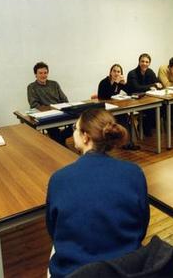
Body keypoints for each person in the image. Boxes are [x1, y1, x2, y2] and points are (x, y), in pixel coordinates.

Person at [46, 108, 149, 278]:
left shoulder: (59, 178)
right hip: (127, 268)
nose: (74, 133)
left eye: (75, 128)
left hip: (74, 272)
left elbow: (54, 229)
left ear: (85, 136)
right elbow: (141, 224)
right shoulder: (134, 172)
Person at [27, 62, 70, 144]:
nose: (43, 75)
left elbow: (64, 99)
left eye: (45, 73)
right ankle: (61, 144)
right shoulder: (31, 87)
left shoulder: (54, 84)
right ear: (35, 74)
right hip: (45, 115)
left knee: (77, 124)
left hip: (59, 112)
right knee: (53, 129)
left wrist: (58, 108)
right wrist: (50, 109)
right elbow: (34, 105)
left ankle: (60, 140)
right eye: (40, 73)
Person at [127, 53, 162, 135]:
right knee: (150, 109)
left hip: (147, 98)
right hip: (134, 100)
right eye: (142, 61)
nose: (144, 64)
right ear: (139, 62)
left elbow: (158, 82)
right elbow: (137, 88)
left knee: (160, 106)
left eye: (147, 62)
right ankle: (144, 126)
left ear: (149, 63)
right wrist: (152, 85)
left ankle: (147, 125)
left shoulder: (150, 72)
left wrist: (158, 85)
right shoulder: (132, 73)